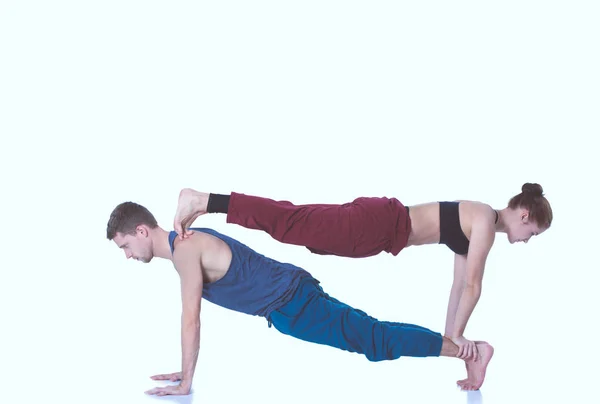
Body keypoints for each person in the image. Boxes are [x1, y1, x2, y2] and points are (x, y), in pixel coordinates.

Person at [172, 182, 551, 386]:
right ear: (523, 213)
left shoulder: (476, 222)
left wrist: (456, 337)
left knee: (299, 230)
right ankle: (205, 199)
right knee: (290, 222)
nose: (524, 240)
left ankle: (466, 356)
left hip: (377, 235)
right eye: (530, 232)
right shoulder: (484, 220)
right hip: (378, 226)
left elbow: (457, 288)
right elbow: (473, 285)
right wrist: (459, 336)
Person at [107, 201, 494, 396]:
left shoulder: (185, 251)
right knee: (372, 337)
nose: (127, 255)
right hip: (290, 303)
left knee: (375, 340)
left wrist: (186, 379)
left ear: (141, 231)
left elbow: (190, 317)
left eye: (125, 245)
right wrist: (184, 369)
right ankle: (466, 353)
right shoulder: (185, 247)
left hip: (293, 301)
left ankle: (469, 353)